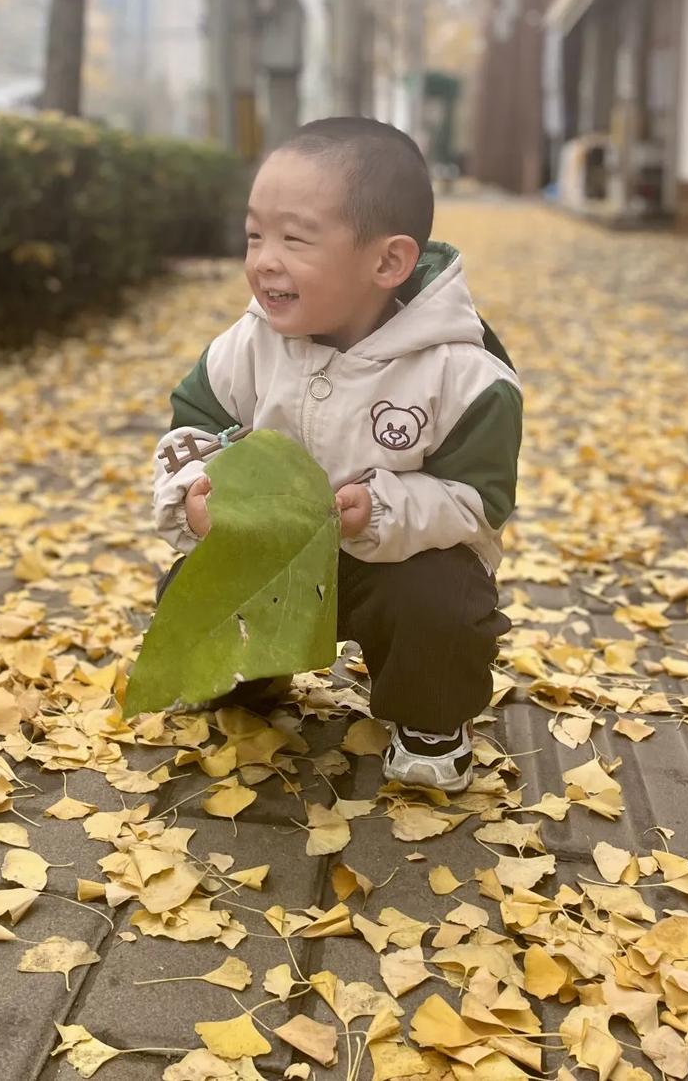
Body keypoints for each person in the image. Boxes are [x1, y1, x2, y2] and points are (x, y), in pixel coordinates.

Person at [150, 117, 522, 794]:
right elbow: (193, 429)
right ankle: (250, 677)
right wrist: (197, 491)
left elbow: (479, 503)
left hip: (399, 566)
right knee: (191, 592)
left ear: (387, 262)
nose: (265, 259)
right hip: (276, 554)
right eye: (255, 235)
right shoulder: (248, 344)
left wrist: (379, 509)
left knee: (442, 601)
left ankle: (430, 717)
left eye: (294, 239)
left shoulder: (463, 376)